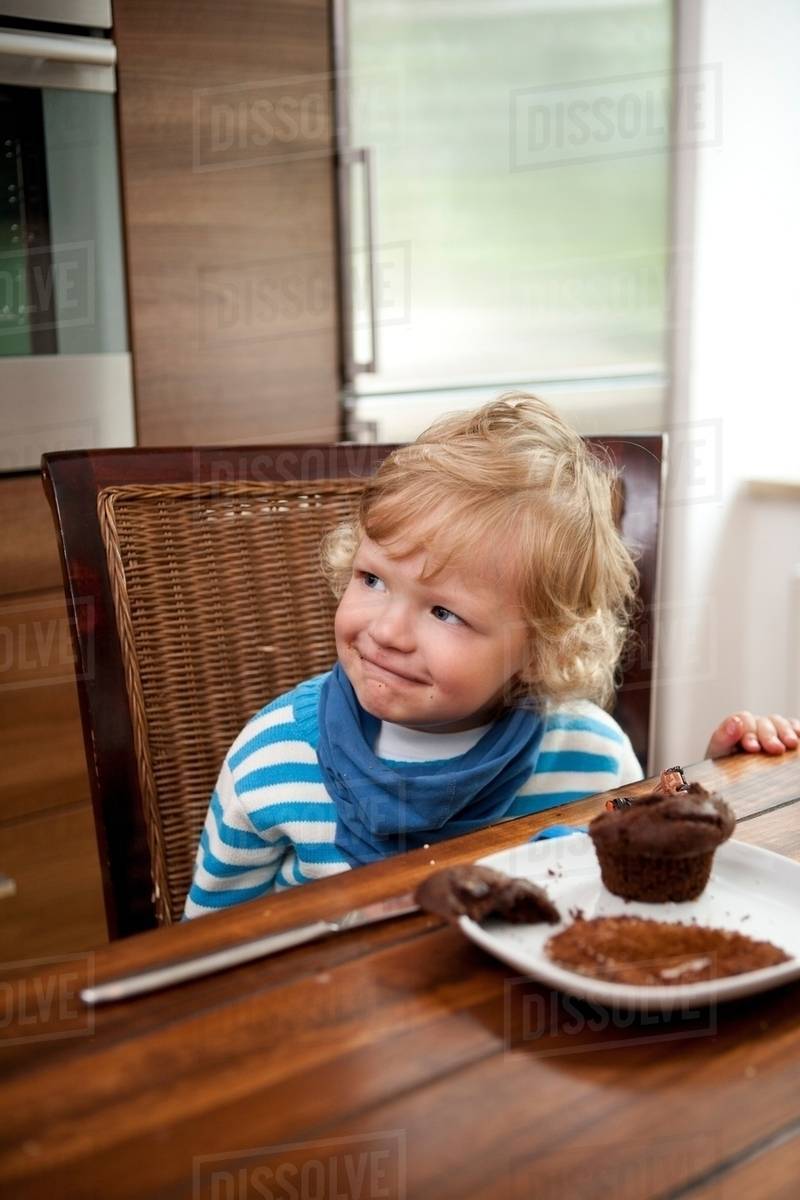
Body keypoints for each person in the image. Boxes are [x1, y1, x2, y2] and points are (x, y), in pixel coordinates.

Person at [183, 395, 800, 918]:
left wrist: (718, 782)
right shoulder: (271, 759)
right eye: (372, 579)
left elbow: (635, 873)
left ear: (540, 649)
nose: (388, 631)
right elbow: (201, 952)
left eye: (445, 612)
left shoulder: (590, 753)